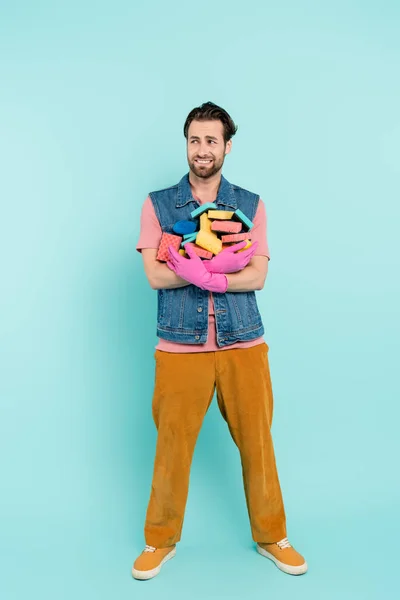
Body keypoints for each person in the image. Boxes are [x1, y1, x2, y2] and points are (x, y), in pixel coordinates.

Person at [132, 102, 307, 580]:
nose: (202, 149)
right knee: (172, 447)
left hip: (244, 343)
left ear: (227, 146)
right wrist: (218, 268)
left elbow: (258, 276)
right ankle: (159, 541)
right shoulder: (158, 205)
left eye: (211, 140)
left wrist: (200, 273)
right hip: (179, 348)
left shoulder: (250, 205)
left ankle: (273, 536)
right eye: (194, 140)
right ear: (186, 145)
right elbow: (153, 275)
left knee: (258, 444)